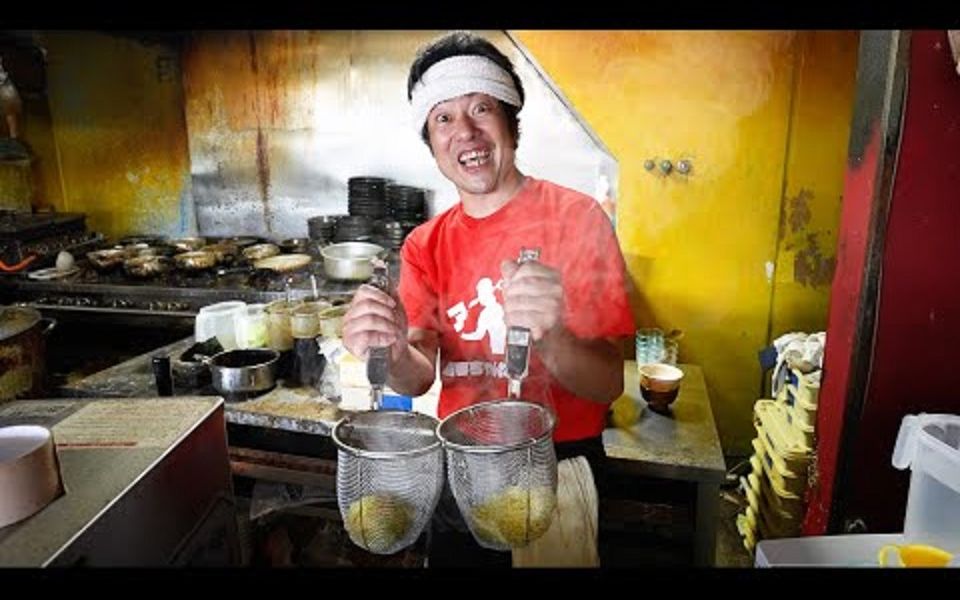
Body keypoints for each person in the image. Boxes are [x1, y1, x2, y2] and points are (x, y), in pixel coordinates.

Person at [341, 31, 636, 566]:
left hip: (559, 461)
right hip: (459, 463)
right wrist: (382, 348)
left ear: (510, 122)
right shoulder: (424, 245)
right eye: (444, 119)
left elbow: (609, 384)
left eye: (481, 108)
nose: (467, 133)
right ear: (431, 142)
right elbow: (418, 376)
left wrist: (553, 336)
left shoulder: (577, 219)